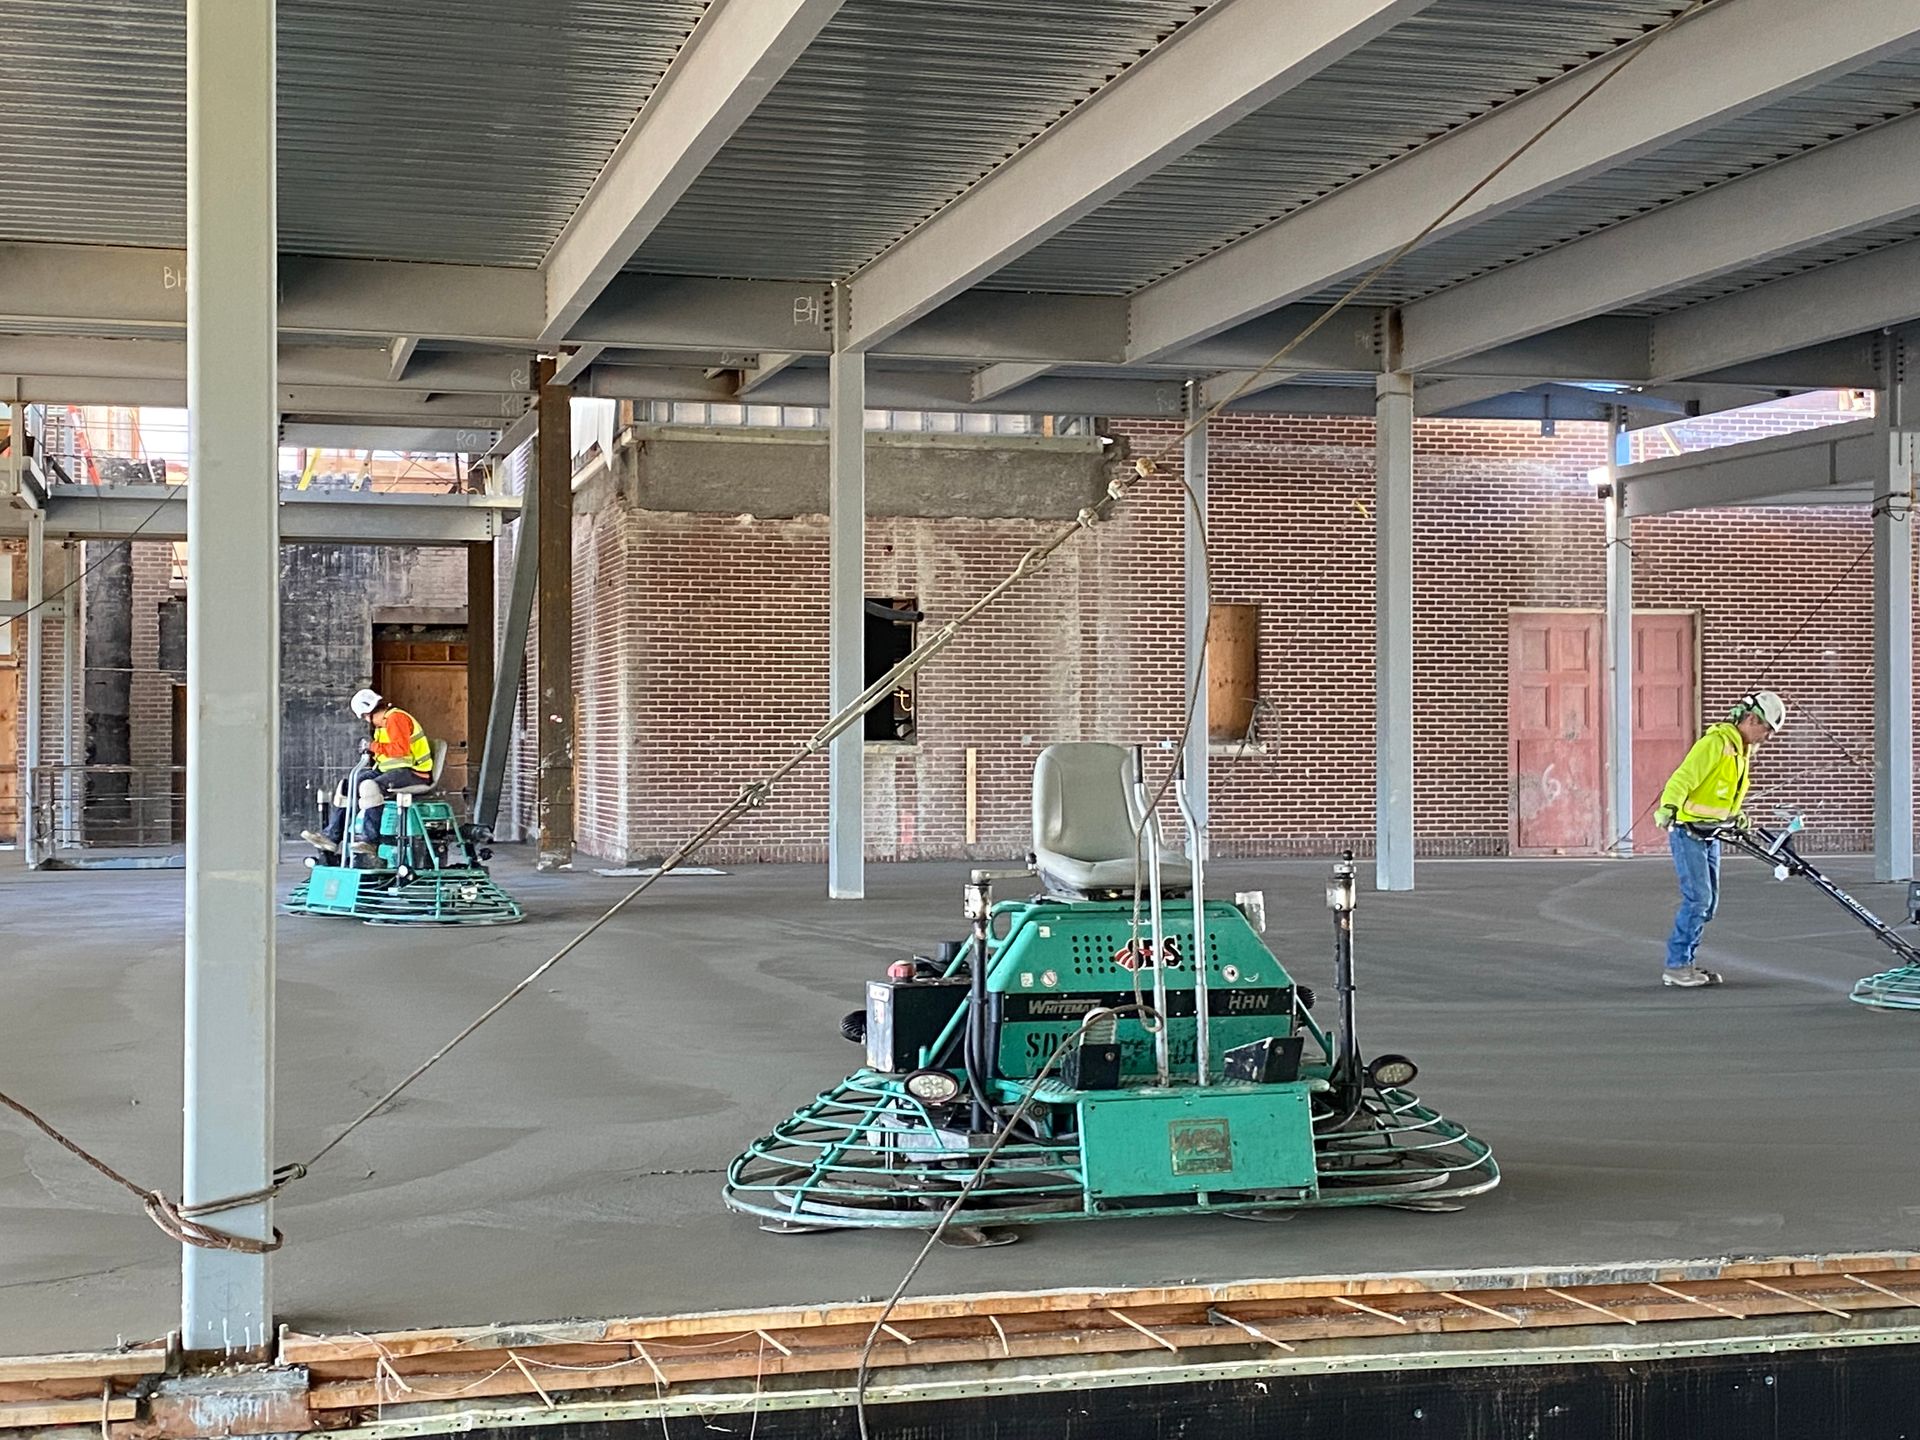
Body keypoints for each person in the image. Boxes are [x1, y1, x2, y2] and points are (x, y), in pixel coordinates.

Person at [1653, 689, 1786, 988]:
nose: (1768, 737)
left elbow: (1723, 791)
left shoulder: (1741, 751)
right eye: (1767, 729)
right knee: (1698, 899)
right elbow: (1683, 778)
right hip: (1688, 831)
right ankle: (1677, 966)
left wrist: (1735, 815)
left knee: (1708, 904)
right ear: (1752, 719)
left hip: (1711, 834)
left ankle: (1687, 962)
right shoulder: (1715, 743)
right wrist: (1668, 807)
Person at [301, 689, 435, 856]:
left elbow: (400, 750)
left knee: (369, 787)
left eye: (365, 717)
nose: (366, 720)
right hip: (390, 771)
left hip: (415, 773)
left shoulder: (396, 718)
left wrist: (372, 746)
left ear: (369, 713)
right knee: (349, 785)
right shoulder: (383, 724)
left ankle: (370, 841)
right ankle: (331, 837)